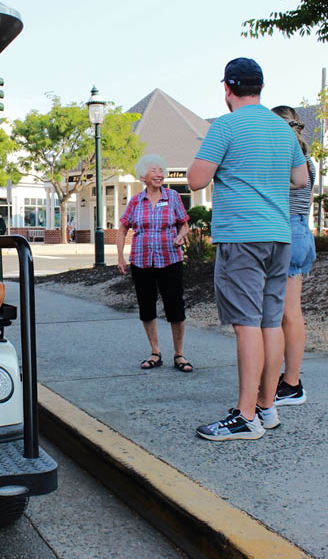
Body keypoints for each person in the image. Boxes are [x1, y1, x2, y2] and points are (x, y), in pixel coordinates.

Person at [187, 58, 307, 441]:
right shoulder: (281, 128)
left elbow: (195, 180)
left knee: (246, 326)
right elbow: (300, 179)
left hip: (242, 235)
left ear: (227, 89)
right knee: (271, 322)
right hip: (279, 235)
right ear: (260, 87)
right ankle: (266, 407)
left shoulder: (225, 126)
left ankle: (244, 416)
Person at [117, 154, 192, 372]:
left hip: (170, 259)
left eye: (161, 170)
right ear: (143, 176)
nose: (159, 174)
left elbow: (184, 224)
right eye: (154, 171)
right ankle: (155, 352)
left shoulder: (173, 197)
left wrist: (181, 235)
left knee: (175, 306)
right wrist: (120, 256)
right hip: (142, 262)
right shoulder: (135, 201)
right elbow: (122, 229)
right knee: (146, 306)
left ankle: (179, 354)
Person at [271, 105, 316, 406]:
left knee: (287, 314)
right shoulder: (307, 160)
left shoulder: (284, 158)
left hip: (287, 231)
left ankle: (292, 383)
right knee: (291, 313)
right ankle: (289, 379)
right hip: (301, 230)